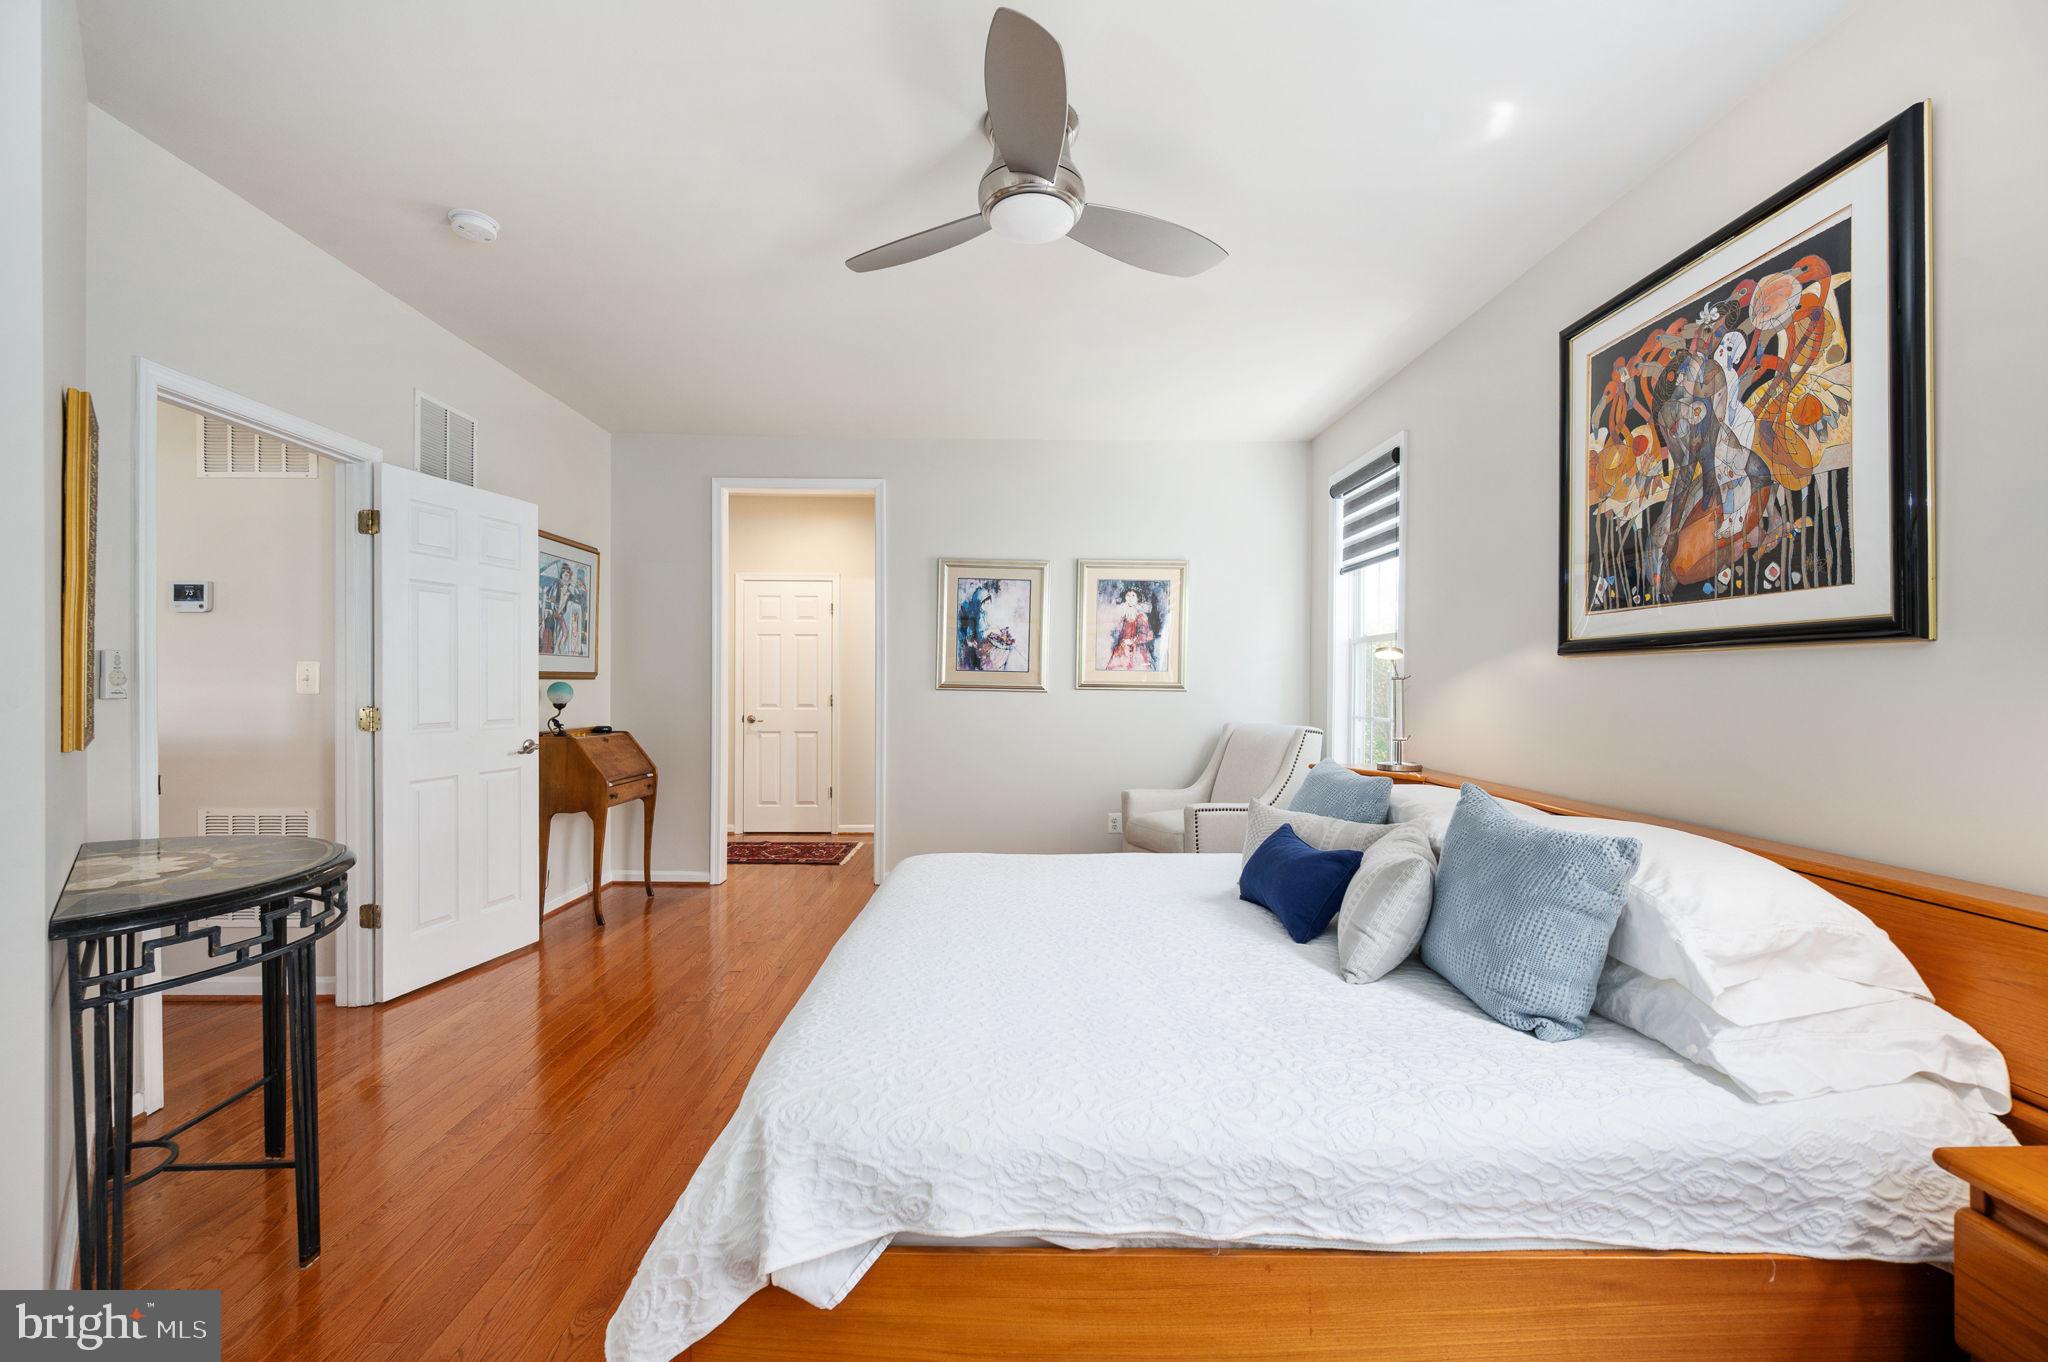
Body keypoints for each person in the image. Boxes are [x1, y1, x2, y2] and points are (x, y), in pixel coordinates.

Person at [1105, 588, 1155, 670]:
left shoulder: (1141, 616)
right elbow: (1119, 631)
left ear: (1137, 598)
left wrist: (1132, 641)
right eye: (1128, 595)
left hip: (1136, 649)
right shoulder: (1124, 613)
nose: (1130, 598)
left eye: (1133, 595)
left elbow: (1144, 635)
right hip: (1123, 647)